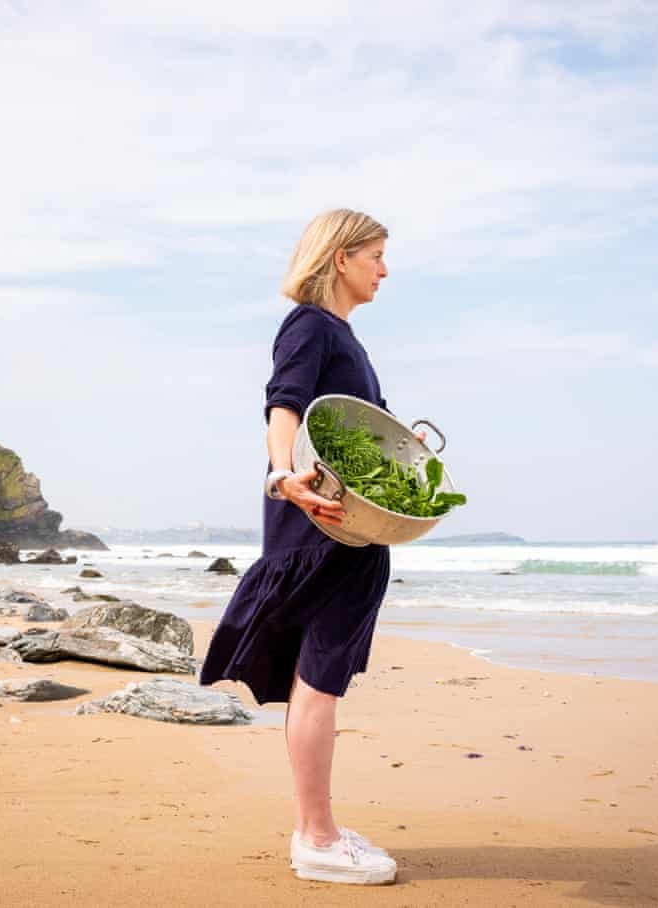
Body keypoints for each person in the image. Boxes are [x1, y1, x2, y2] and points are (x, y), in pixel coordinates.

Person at [199, 209, 417, 886]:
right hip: (326, 533)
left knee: (314, 682)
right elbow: (284, 405)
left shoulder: (340, 334)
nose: (385, 268)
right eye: (376, 255)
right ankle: (319, 840)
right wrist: (281, 474)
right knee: (319, 683)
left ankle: (312, 829)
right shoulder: (311, 326)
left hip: (339, 530)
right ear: (340, 258)